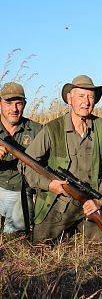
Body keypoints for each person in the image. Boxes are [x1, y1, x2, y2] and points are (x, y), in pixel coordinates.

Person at [23, 75, 102, 243]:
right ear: (70, 98)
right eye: (81, 96)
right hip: (59, 202)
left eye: (90, 96)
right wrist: (49, 185)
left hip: (89, 203)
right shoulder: (52, 129)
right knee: (41, 244)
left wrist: (99, 201)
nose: (86, 102)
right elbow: (25, 165)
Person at [0, 82, 42, 234]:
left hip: (20, 192)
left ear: (25, 104)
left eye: (19, 103)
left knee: (13, 236)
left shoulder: (38, 130)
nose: (14, 109)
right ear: (0, 103)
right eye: (8, 103)